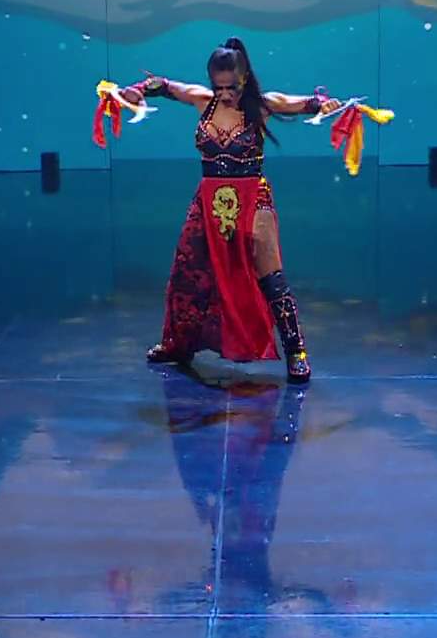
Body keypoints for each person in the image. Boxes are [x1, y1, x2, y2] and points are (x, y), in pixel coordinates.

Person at [111, 37, 340, 383]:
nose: (225, 94)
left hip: (252, 196)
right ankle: (179, 345)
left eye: (231, 87)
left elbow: (304, 103)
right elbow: (163, 85)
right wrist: (137, 90)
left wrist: (324, 104)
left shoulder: (262, 106)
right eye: (218, 87)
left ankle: (296, 352)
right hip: (209, 198)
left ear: (243, 78)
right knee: (189, 273)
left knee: (270, 273)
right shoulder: (202, 101)